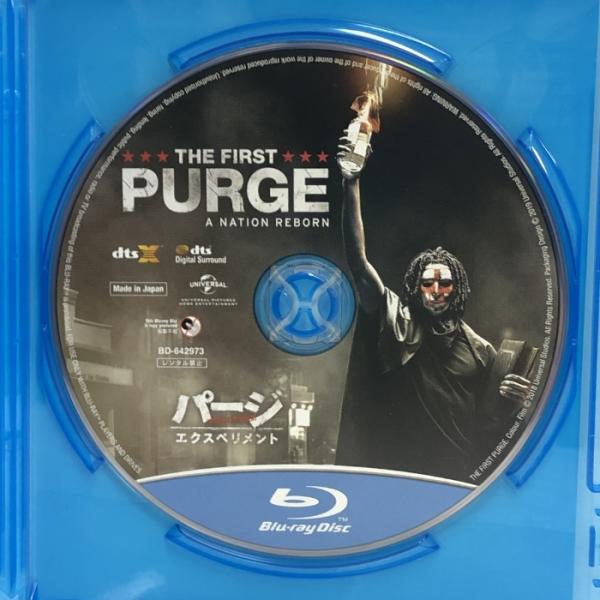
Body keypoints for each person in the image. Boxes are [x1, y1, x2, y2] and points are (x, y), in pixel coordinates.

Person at [335, 136, 531, 482]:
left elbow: (492, 428)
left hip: (457, 479)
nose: (436, 291)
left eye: (445, 284)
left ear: (458, 289)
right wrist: (351, 182)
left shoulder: (482, 351)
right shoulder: (395, 321)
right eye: (427, 283)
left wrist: (518, 404)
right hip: (396, 475)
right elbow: (359, 264)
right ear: (416, 287)